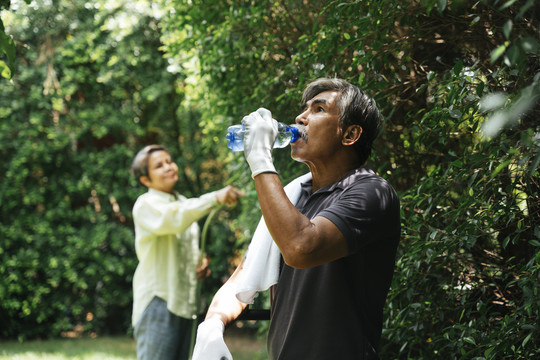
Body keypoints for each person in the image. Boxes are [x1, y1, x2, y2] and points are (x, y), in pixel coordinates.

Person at [192, 78, 401, 360]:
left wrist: (260, 160)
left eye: (318, 109)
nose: (300, 117)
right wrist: (213, 324)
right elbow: (243, 276)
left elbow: (301, 247)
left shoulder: (372, 193)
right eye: (304, 109)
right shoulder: (294, 195)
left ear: (350, 134)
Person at [130, 144, 244, 360]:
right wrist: (215, 197)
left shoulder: (184, 203)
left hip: (187, 304)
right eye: (158, 166)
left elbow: (184, 229)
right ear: (145, 180)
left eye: (169, 161)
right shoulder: (145, 204)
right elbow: (174, 219)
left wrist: (198, 267)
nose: (168, 167)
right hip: (158, 302)